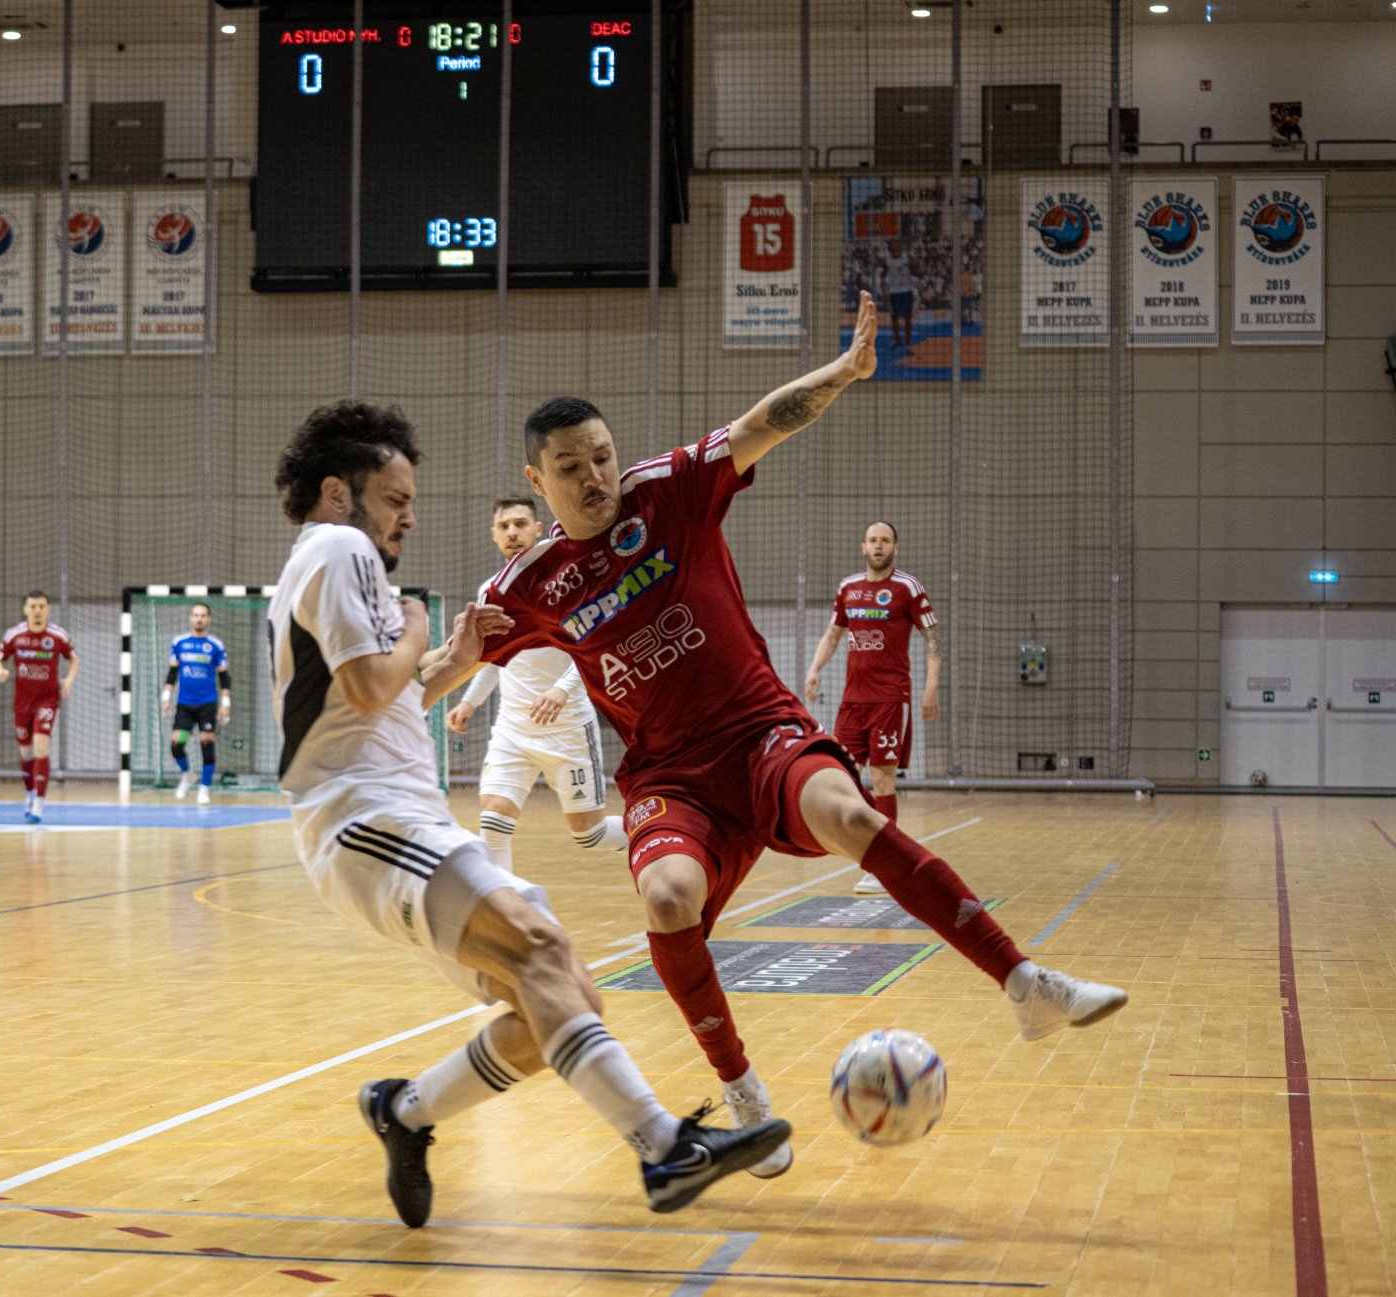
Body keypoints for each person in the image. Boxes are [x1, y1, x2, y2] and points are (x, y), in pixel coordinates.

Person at [424, 293, 1126, 1177]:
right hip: (670, 778)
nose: (595, 475)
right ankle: (744, 1092)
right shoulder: (526, 583)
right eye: (572, 467)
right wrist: (405, 681)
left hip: (761, 732)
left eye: (601, 455)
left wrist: (843, 371)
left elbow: (762, 423)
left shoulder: (665, 489)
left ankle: (1028, 985)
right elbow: (448, 665)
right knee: (669, 902)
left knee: (856, 813)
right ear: (539, 481)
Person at [267, 400, 791, 1226]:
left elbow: (375, 694)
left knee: (559, 994)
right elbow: (372, 682)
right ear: (338, 492)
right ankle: (665, 1148)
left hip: (399, 818)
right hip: (364, 819)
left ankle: (405, 1111)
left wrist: (452, 658)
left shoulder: (333, 557)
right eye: (395, 498)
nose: (410, 513)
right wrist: (414, 628)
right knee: (545, 952)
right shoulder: (338, 547)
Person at [445, 497, 626, 869]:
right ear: (494, 535)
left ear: (538, 529)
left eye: (520, 524)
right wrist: (469, 702)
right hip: (512, 729)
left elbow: (594, 648)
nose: (513, 532)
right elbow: (495, 657)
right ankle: (504, 909)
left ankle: (660, 834)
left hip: (568, 729)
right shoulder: (493, 592)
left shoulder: (568, 584)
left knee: (589, 834)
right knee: (493, 821)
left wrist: (562, 688)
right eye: (504, 526)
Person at [805, 522, 940, 893]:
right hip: (853, 700)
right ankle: (869, 845)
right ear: (863, 547)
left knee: (883, 777)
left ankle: (884, 864)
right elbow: (834, 634)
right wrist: (815, 669)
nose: (878, 546)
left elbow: (932, 637)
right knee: (843, 775)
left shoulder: (907, 588)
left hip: (889, 697)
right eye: (873, 541)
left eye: (885, 541)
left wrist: (931, 687)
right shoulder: (848, 588)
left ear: (895, 547)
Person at [0, 590, 77, 823]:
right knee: (26, 752)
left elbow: (73, 658)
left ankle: (39, 802)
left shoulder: (58, 635)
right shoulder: (14, 635)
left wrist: (68, 680)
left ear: (48, 609)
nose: (37, 610)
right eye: (33, 606)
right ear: (25, 609)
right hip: (22, 702)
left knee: (41, 747)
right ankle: (29, 793)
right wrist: (0, 671)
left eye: (42, 606)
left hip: (47, 700)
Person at [161, 603, 230, 804]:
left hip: (207, 704)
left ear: (209, 619)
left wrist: (226, 703)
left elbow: (225, 677)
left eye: (203, 615)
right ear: (191, 618)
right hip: (185, 705)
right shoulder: (180, 643)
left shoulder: (216, 645)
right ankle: (188, 774)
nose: (199, 619)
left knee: (206, 743)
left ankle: (204, 788)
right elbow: (172, 673)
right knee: (177, 744)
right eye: (196, 615)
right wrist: (166, 698)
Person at [878, 239, 916, 353]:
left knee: (908, 318)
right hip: (894, 292)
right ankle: (898, 340)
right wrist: (884, 290)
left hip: (906, 291)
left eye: (894, 243)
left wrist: (914, 264)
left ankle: (909, 345)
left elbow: (915, 271)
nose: (892, 246)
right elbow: (883, 276)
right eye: (890, 244)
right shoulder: (888, 261)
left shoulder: (907, 257)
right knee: (894, 318)